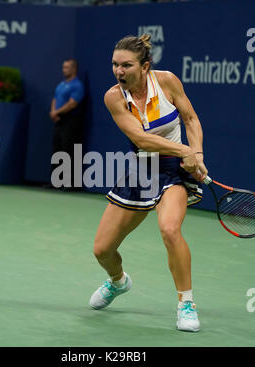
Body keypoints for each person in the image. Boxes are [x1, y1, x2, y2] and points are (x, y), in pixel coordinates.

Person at [89, 34, 208, 332]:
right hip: (140, 171)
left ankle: (186, 303)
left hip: (172, 171)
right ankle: (118, 282)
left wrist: (198, 155)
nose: (119, 71)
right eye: (115, 65)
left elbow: (191, 119)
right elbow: (141, 139)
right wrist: (186, 151)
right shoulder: (113, 97)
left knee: (170, 229)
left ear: (144, 67)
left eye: (126, 65)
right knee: (102, 250)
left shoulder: (167, 81)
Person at [49, 58, 84, 190]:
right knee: (56, 150)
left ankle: (69, 184)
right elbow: (55, 98)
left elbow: (72, 103)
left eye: (67, 67)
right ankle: (56, 182)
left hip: (70, 121)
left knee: (68, 151)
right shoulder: (61, 84)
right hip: (58, 121)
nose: (64, 69)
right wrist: (53, 112)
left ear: (74, 69)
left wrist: (57, 112)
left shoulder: (77, 85)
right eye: (63, 67)